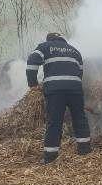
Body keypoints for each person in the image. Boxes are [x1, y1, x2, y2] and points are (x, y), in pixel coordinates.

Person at [26, 32, 91, 164]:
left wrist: (33, 84)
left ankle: (50, 156)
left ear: (49, 39)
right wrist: (73, 84)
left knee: (54, 121)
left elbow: (32, 62)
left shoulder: (45, 46)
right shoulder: (75, 51)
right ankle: (84, 149)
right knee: (79, 118)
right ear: (62, 40)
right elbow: (80, 72)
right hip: (75, 89)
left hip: (55, 90)